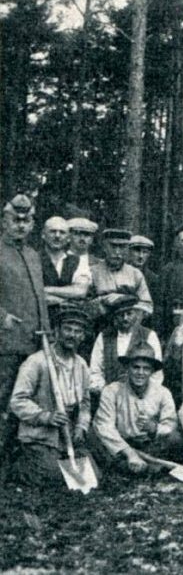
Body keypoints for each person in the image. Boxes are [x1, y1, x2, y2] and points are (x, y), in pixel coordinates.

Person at [9, 307, 93, 486]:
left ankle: (56, 463)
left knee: (91, 477)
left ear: (83, 336)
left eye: (78, 331)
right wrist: (46, 416)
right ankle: (20, 465)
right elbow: (17, 400)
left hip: (67, 435)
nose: (72, 335)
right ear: (56, 332)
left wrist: (81, 427)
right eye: (68, 329)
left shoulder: (81, 365)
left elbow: (85, 403)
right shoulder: (37, 362)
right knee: (57, 477)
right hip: (40, 437)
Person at [0, 194, 49, 459]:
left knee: (27, 399)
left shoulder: (32, 255)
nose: (21, 225)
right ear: (3, 221)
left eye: (26, 220)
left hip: (33, 342)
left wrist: (46, 332)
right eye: (15, 220)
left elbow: (38, 296)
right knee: (3, 398)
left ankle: (17, 456)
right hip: (5, 344)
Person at [92, 343, 183, 474]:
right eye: (136, 367)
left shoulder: (163, 392)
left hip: (150, 446)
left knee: (175, 440)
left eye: (146, 369)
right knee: (102, 447)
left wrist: (155, 428)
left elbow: (171, 425)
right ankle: (146, 467)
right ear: (127, 368)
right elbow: (105, 427)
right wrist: (129, 453)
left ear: (152, 371)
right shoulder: (112, 391)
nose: (140, 373)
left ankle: (150, 466)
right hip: (121, 446)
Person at [89, 295, 163, 396]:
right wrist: (105, 391)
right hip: (110, 395)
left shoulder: (149, 335)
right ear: (115, 316)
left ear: (136, 314)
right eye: (121, 315)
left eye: (129, 314)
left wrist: (146, 395)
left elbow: (156, 373)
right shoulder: (104, 336)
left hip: (141, 396)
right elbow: (95, 370)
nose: (125, 318)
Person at [89, 229, 153, 318]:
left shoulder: (135, 274)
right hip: (99, 324)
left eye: (122, 247)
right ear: (104, 247)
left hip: (127, 325)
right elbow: (82, 305)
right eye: (113, 246)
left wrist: (125, 300)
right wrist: (103, 300)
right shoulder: (92, 272)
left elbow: (148, 307)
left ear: (127, 249)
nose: (117, 252)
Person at [40, 216, 91, 317]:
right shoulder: (33, 258)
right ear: (43, 235)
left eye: (62, 232)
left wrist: (44, 290)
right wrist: (65, 299)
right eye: (52, 231)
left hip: (68, 321)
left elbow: (80, 291)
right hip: (40, 317)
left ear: (68, 238)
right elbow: (29, 293)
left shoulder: (78, 261)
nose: (57, 236)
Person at [128, 235, 159, 299]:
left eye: (145, 252)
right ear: (129, 252)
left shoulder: (153, 279)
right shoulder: (120, 273)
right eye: (137, 251)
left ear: (149, 255)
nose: (141, 256)